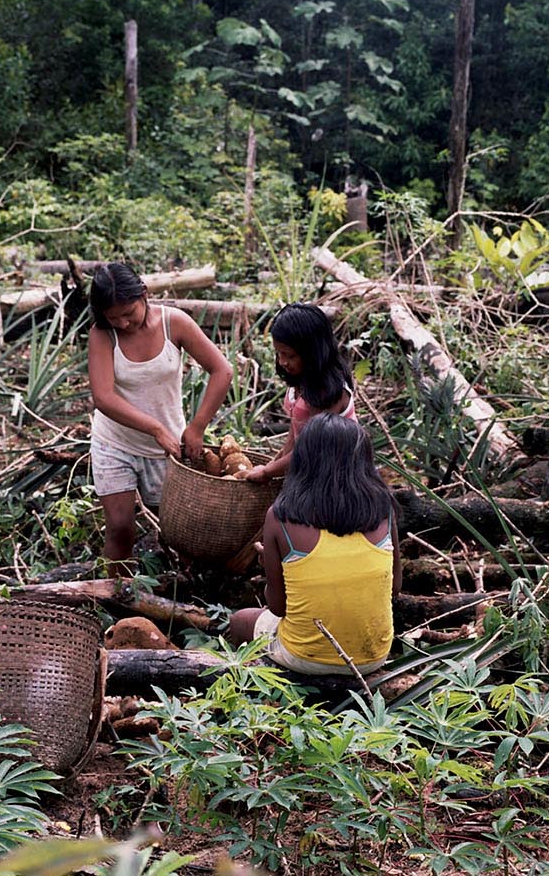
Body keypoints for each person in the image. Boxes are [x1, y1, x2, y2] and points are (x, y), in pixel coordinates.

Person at [228, 413, 401, 676]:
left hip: (303, 657)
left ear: (303, 460)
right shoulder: (383, 510)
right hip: (372, 657)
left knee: (240, 620)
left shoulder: (281, 516)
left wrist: (270, 565)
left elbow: (277, 607)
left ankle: (257, 687)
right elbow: (395, 588)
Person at [88, 262, 233, 571]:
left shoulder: (174, 323)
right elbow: (103, 397)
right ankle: (117, 596)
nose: (123, 323)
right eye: (113, 318)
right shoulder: (102, 335)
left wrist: (197, 427)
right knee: (119, 527)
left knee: (180, 532)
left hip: (167, 447)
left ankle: (185, 598)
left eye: (129, 313)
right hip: (115, 443)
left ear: (144, 294)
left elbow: (222, 370)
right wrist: (154, 427)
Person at [237, 302, 356, 483]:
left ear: (312, 352)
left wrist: (268, 472)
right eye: (279, 354)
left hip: (335, 478)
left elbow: (311, 449)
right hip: (307, 469)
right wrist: (272, 466)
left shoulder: (327, 393)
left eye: (290, 355)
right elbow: (295, 436)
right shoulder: (301, 381)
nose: (283, 362)